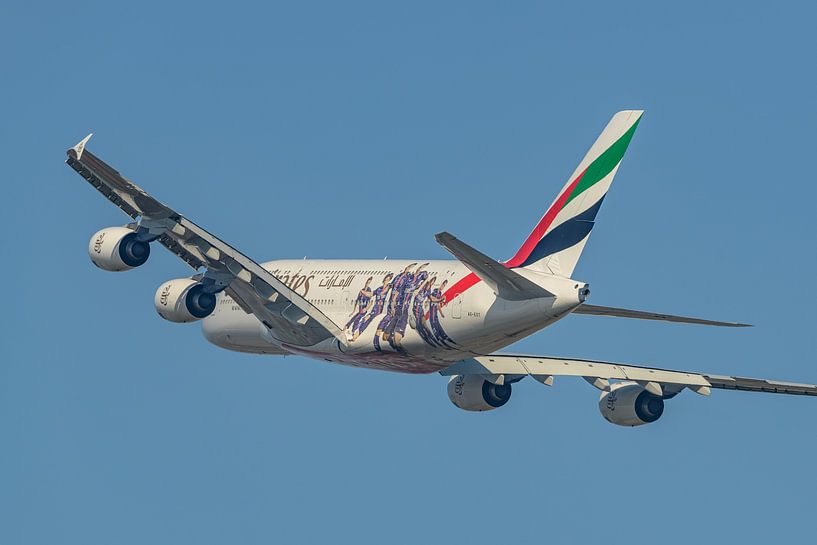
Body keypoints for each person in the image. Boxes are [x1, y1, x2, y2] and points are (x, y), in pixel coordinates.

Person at [374, 264, 416, 351]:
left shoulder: (404, 287)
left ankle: (392, 344)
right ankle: (378, 342)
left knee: (388, 333)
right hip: (394, 310)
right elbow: (392, 296)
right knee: (384, 331)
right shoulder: (398, 285)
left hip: (398, 312)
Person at [388, 263, 428, 351]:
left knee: (401, 322)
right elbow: (397, 293)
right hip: (403, 306)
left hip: (406, 307)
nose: (414, 274)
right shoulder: (407, 284)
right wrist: (393, 303)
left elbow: (422, 276)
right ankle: (396, 343)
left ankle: (395, 342)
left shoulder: (415, 284)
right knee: (400, 322)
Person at [354, 273, 392, 341]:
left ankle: (355, 334)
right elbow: (371, 294)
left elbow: (384, 291)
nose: (386, 281)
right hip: (375, 308)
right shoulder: (379, 289)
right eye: (385, 280)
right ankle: (355, 336)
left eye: (387, 280)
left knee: (365, 319)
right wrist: (363, 292)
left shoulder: (388, 286)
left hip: (379, 309)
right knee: (365, 321)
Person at [428, 279, 456, 348]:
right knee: (435, 327)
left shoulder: (440, 293)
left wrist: (441, 313)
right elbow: (432, 299)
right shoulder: (435, 291)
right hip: (432, 313)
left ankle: (444, 337)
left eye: (444, 286)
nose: (443, 287)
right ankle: (438, 339)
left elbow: (437, 304)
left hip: (435, 313)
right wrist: (441, 299)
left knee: (439, 326)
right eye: (443, 285)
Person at [411, 276, 437, 346]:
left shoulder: (428, 291)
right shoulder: (420, 288)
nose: (430, 285)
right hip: (416, 309)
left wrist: (440, 300)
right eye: (430, 283)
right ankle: (426, 338)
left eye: (432, 283)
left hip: (420, 309)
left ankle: (431, 338)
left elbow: (432, 299)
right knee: (420, 326)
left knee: (424, 325)